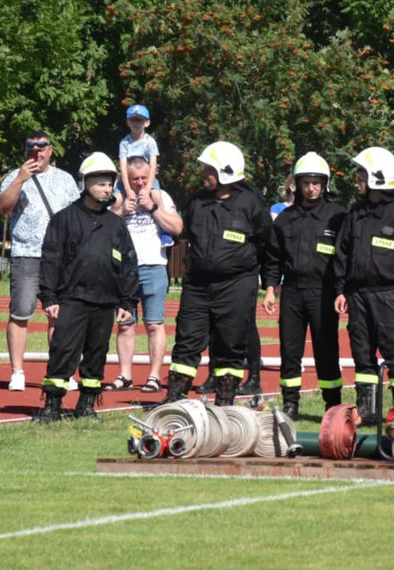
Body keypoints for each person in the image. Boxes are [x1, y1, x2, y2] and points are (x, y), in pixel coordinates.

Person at [161, 141, 273, 406]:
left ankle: (225, 402)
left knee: (230, 344)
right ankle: (174, 400)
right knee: (186, 339)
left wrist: (269, 285)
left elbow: (267, 245)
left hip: (236, 285)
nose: (204, 173)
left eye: (209, 169)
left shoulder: (251, 202)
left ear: (226, 172)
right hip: (198, 286)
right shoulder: (198, 201)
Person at [33, 153, 140, 422]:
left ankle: (87, 405)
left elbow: (128, 263)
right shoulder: (64, 219)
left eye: (109, 184)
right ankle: (52, 406)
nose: (107, 189)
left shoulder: (116, 224)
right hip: (72, 299)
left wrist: (128, 302)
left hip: (105, 302)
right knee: (63, 351)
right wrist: (49, 297)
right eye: (101, 183)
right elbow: (50, 259)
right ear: (86, 182)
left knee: (96, 354)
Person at [333, 146, 394, 426]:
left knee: (393, 352)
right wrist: (341, 289)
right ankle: (368, 409)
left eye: (361, 173)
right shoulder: (357, 211)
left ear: (377, 177)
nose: (357, 179)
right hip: (358, 294)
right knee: (362, 353)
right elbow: (343, 251)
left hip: (388, 294)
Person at [262, 152, 347, 418]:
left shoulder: (338, 216)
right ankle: (290, 404)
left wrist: (342, 290)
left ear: (325, 184)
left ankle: (332, 404)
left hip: (324, 293)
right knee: (289, 350)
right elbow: (273, 258)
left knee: (326, 349)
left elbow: (345, 256)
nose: (311, 187)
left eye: (316, 182)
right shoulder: (286, 219)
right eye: (306, 182)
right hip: (293, 293)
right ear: (296, 184)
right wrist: (270, 289)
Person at [0, 131, 80, 391]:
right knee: (20, 314)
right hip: (26, 253)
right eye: (31, 147)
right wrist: (21, 179)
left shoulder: (65, 179)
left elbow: (76, 216)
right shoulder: (14, 176)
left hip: (60, 258)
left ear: (50, 150)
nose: (36, 151)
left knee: (59, 317)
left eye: (41, 146)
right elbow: (3, 208)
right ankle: (17, 373)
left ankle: (61, 372)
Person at [106, 156, 183, 393]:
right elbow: (101, 228)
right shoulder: (117, 198)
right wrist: (120, 212)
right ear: (126, 179)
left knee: (154, 324)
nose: (139, 183)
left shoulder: (161, 196)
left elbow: (177, 227)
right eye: (134, 179)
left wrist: (153, 208)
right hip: (124, 269)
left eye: (143, 178)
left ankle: (153, 376)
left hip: (153, 266)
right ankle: (125, 375)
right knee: (125, 325)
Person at [116, 103, 172, 248]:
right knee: (116, 200)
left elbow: (153, 166)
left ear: (146, 123)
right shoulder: (124, 142)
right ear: (128, 122)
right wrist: (128, 190)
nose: (136, 123)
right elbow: (122, 166)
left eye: (139, 120)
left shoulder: (150, 142)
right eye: (133, 120)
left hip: (147, 178)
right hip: (128, 178)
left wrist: (147, 188)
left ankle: (165, 233)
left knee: (158, 198)